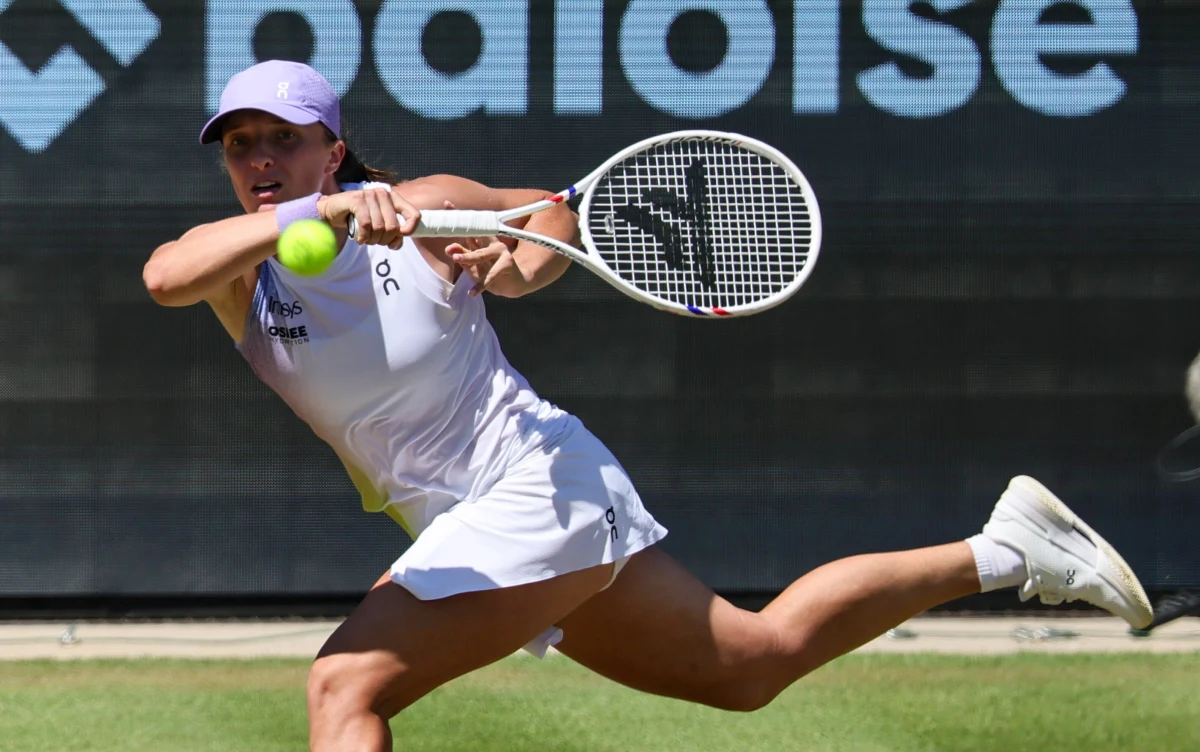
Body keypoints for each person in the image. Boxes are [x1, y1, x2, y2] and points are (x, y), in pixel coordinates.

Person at [143, 60, 1154, 752]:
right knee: (750, 664)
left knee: (342, 686)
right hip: (469, 515)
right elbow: (165, 276)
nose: (260, 160)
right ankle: (1013, 548)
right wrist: (316, 214)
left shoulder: (427, 205)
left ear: (333, 143)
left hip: (537, 481)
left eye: (286, 140)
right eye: (240, 146)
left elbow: (549, 215)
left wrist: (518, 268)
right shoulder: (247, 268)